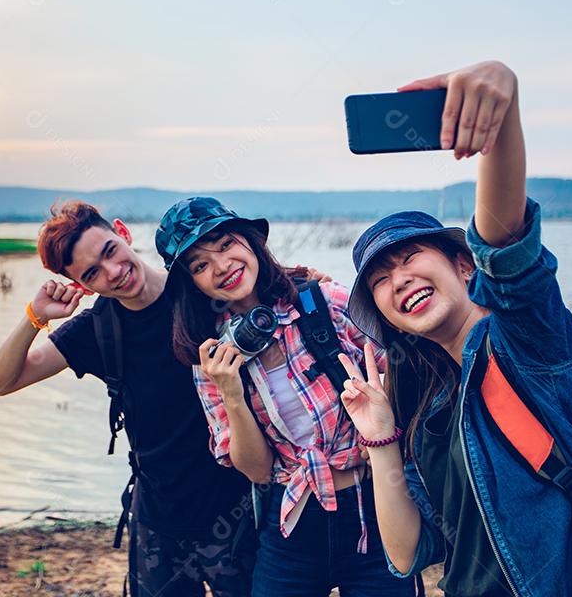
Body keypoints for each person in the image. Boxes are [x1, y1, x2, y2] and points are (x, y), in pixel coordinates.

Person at [338, 60, 572, 595]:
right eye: (379, 279)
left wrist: (501, 117)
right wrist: (379, 439)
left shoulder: (530, 342)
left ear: (463, 265)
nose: (399, 280)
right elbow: (408, 551)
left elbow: (507, 250)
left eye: (411, 257)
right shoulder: (427, 407)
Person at [0, 201, 256, 596]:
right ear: (79, 284)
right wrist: (35, 316)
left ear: (123, 232)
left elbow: (265, 294)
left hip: (236, 513)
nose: (113, 272)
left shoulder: (199, 291)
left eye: (109, 251)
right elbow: (0, 382)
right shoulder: (97, 330)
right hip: (158, 523)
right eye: (91, 273)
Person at [156, 197, 416, 597]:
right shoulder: (210, 358)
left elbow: (403, 371)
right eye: (200, 265)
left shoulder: (323, 301)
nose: (222, 266)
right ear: (191, 284)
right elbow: (258, 471)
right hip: (292, 522)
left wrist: (382, 435)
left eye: (226, 244)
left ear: (249, 242)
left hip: (376, 505)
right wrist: (232, 393)